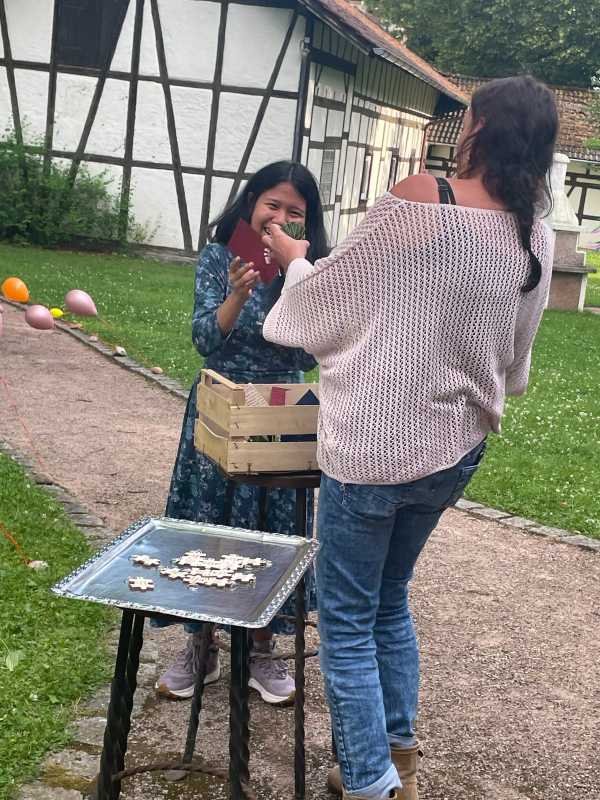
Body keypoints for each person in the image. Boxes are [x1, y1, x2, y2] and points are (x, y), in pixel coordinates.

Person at [262, 76, 558, 798]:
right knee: (389, 601)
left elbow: (324, 301)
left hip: (372, 451)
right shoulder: (536, 234)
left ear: (478, 128)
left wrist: (293, 259)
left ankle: (370, 783)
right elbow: (515, 363)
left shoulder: (422, 197)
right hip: (456, 450)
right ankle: (398, 761)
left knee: (347, 620)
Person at [154, 161, 329, 705]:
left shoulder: (311, 268)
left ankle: (261, 649)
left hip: (281, 412)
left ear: (307, 222)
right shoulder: (219, 257)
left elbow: (308, 352)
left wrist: (292, 277)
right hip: (221, 403)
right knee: (209, 524)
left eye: (294, 211)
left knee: (275, 530)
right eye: (272, 205)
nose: (279, 218)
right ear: (252, 203)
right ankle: (200, 643)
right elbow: (205, 340)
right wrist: (235, 293)